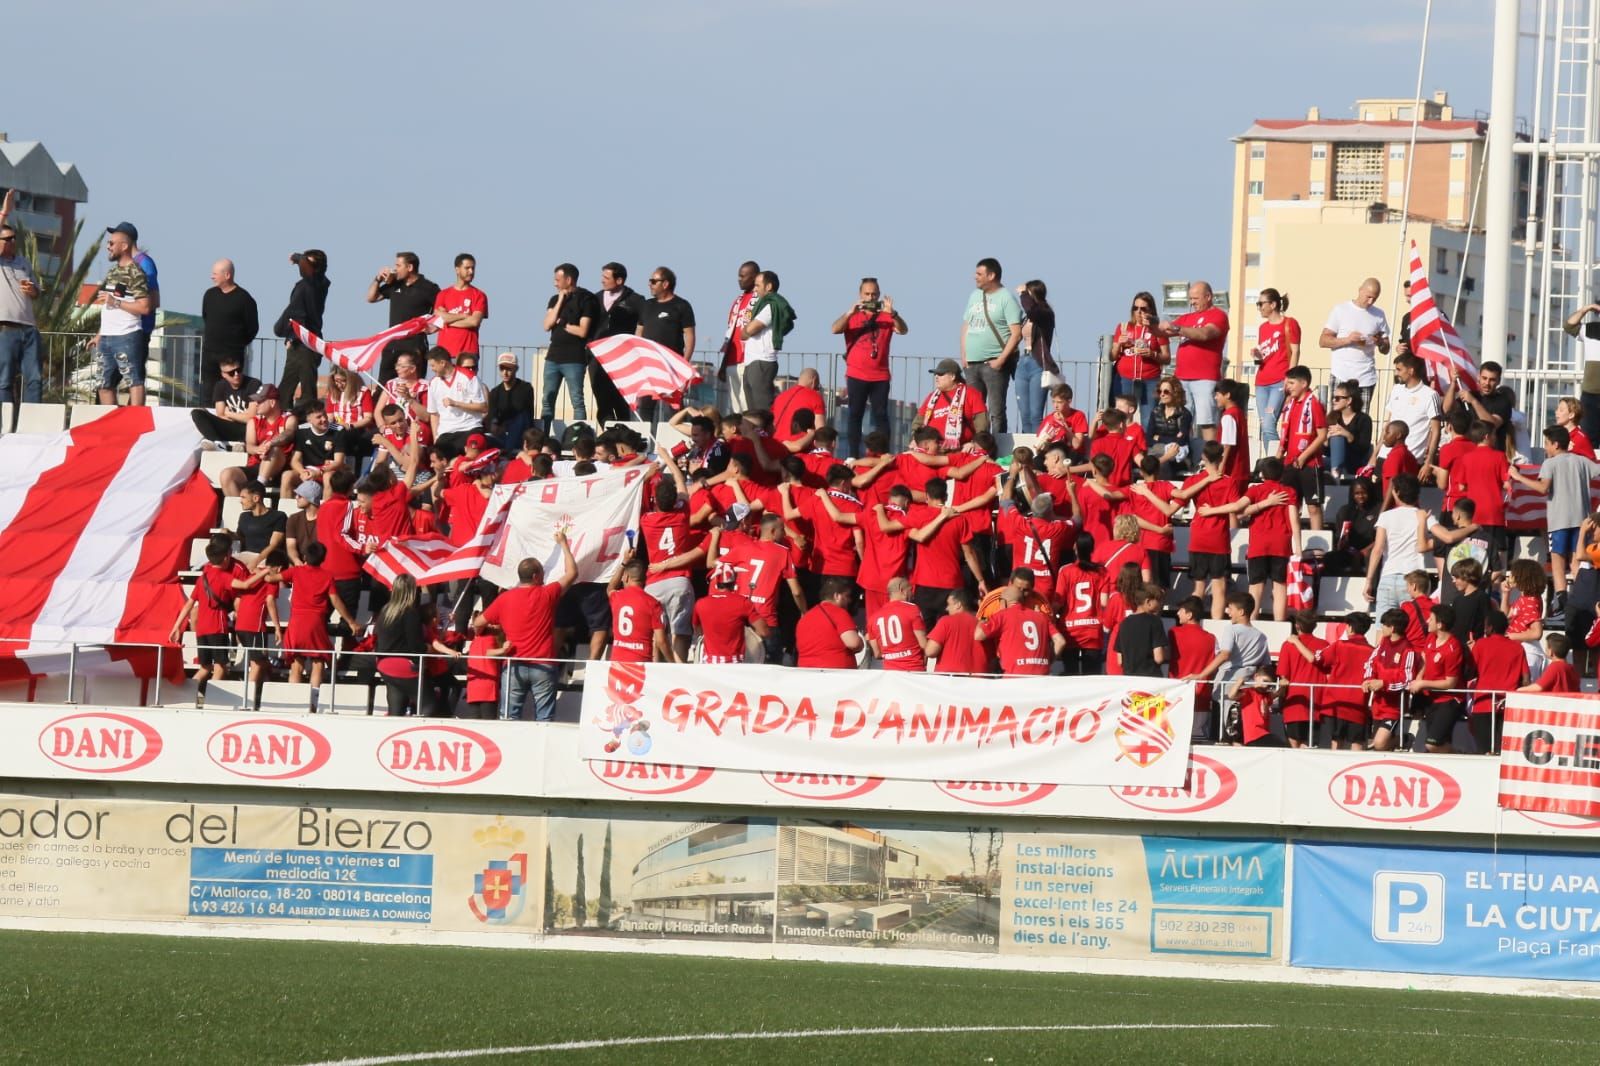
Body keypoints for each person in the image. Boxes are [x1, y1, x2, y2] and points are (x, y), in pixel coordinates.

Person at [477, 538, 578, 722]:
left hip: (514, 664)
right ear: (535, 576)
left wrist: (495, 628)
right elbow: (572, 572)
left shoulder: (504, 598)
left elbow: (478, 622)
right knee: (544, 719)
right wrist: (563, 543)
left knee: (509, 718)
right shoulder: (547, 593)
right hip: (543, 665)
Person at [1509, 425, 1600, 617]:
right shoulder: (1582, 461)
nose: (1545, 448)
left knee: (1558, 563)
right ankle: (1582, 600)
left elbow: (1543, 488)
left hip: (1559, 521)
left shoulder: (1550, 464)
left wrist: (1518, 477)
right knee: (1577, 562)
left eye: (1547, 444)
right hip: (1582, 521)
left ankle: (1561, 603)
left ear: (1556, 444)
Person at [835, 277, 907, 457]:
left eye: (874, 294)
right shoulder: (853, 316)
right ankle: (852, 455)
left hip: (880, 375)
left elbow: (903, 330)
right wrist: (849, 313)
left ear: (879, 295)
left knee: (881, 416)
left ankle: (883, 453)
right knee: (855, 415)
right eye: (867, 294)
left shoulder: (886, 316)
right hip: (856, 374)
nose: (870, 297)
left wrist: (893, 314)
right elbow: (835, 329)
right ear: (860, 294)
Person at [279, 540, 358, 694]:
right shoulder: (327, 576)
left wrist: (263, 572)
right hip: (315, 623)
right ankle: (314, 702)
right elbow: (335, 600)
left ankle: (293, 699)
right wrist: (351, 622)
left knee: (296, 664)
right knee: (318, 662)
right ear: (323, 559)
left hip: (296, 623)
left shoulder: (296, 571)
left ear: (304, 556)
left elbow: (272, 578)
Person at [1158, 281, 1228, 445]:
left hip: (1204, 378)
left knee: (1206, 421)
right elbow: (1164, 331)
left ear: (1208, 297)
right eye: (1190, 299)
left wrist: (1177, 329)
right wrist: (1150, 323)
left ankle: (1211, 459)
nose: (1192, 302)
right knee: (1182, 422)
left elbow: (1205, 334)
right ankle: (1184, 457)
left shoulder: (1218, 315)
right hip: (1181, 378)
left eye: (1196, 298)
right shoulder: (1187, 317)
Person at [93, 223, 156, 407]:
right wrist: (99, 334)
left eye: (112, 243)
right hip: (107, 337)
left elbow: (145, 307)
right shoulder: (113, 272)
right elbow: (108, 307)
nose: (108, 247)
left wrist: (116, 302)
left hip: (127, 335)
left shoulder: (136, 272)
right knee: (103, 384)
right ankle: (111, 423)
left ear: (124, 246)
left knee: (133, 381)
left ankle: (135, 423)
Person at [960, 258, 1024, 432]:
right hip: (972, 363)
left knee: (996, 411)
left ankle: (997, 448)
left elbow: (1016, 333)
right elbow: (966, 325)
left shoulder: (1006, 298)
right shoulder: (974, 296)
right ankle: (975, 445)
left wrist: (1001, 360)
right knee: (973, 411)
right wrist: (964, 355)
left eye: (979, 274)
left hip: (993, 363)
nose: (975, 277)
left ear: (991, 275)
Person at [366, 251, 440, 383]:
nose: (395, 269)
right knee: (383, 386)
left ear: (410, 267)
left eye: (398, 266)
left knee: (413, 386)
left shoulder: (429, 288)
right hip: (392, 344)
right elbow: (371, 298)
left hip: (414, 345)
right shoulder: (394, 285)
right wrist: (378, 279)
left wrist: (435, 327)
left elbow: (441, 310)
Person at [1320, 277, 1391, 411]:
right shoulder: (1340, 310)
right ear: (1360, 290)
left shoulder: (1379, 315)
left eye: (1374, 299)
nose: (1370, 301)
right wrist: (1348, 340)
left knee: (1361, 422)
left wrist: (1380, 342)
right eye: (1368, 296)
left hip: (1366, 378)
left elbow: (1386, 348)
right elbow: (1323, 341)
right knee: (1336, 420)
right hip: (1341, 375)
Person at [541, 263, 598, 428]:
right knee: (547, 399)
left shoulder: (586, 299)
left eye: (558, 279)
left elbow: (582, 331)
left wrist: (563, 323)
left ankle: (579, 434)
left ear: (569, 279)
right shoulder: (554, 299)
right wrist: (559, 301)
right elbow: (546, 325)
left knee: (577, 400)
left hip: (574, 358)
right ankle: (544, 435)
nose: (555, 283)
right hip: (553, 357)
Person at [589, 261, 647, 420]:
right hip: (597, 356)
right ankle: (609, 434)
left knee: (620, 400)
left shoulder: (635, 300)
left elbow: (644, 323)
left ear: (619, 280)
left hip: (622, 357)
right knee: (602, 399)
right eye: (603, 276)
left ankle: (623, 434)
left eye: (606, 277)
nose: (602, 280)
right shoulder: (595, 298)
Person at [272, 249, 330, 410]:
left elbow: (296, 315)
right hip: (304, 342)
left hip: (304, 342)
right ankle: (284, 416)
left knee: (306, 389)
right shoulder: (320, 283)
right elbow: (307, 264)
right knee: (287, 387)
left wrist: (289, 336)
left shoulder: (309, 286)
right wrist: (298, 259)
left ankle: (304, 419)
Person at [974, 571, 1060, 676]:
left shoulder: (1041, 603)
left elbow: (1049, 637)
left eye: (1026, 590)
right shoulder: (993, 599)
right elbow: (979, 630)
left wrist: (1046, 662)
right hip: (997, 658)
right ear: (1010, 584)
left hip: (1028, 663)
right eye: (1018, 588)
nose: (1021, 593)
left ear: (1032, 588)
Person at [1365, 473, 1427, 617]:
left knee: (1382, 629)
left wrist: (1368, 580)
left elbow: (1377, 550)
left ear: (1397, 492)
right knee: (1414, 629)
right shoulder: (1422, 515)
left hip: (1388, 578)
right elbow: (1444, 537)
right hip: (1413, 579)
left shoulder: (1385, 516)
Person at [198, 259, 258, 403]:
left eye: (215, 274)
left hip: (232, 355)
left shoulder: (244, 299)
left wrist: (237, 344)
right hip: (210, 354)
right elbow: (206, 317)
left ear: (227, 275)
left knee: (232, 394)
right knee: (208, 394)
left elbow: (252, 328)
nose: (212, 277)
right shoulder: (209, 295)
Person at [1409, 603, 1465, 754]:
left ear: (1440, 624)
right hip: (1431, 698)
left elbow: (1450, 682)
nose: (1427, 621)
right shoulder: (1431, 638)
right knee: (1437, 743)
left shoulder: (1453, 648)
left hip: (1449, 700)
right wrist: (1419, 678)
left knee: (1432, 744)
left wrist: (1422, 683)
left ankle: (1459, 755)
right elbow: (1425, 660)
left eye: (1431, 619)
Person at [0, 206, 41, 410]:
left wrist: (32, 289)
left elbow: (37, 293)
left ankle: (33, 423)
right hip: (5, 329)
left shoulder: (23, 262)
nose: (12, 242)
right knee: (4, 380)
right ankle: (4, 425)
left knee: (34, 379)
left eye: (14, 238)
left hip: (29, 328)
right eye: (7, 239)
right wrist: (3, 214)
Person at [1471, 608, 1528, 754]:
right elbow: (1526, 679)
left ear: (1490, 627)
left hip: (1483, 704)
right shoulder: (1518, 648)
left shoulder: (1481, 644)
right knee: (1503, 753)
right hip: (1509, 705)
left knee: (1483, 752)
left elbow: (1470, 672)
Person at [1277, 365, 1328, 530]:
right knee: (1291, 505)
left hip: (1309, 464)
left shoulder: (1313, 404)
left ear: (1304, 383)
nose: (1288, 387)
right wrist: (1279, 453)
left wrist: (1304, 456)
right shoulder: (1290, 404)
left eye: (1291, 383)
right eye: (1287, 383)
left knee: (1313, 506)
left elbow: (1322, 435)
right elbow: (1287, 432)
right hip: (1290, 463)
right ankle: (1292, 539)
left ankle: (1317, 543)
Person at [374, 574, 432, 717]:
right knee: (429, 706)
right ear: (412, 591)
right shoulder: (410, 612)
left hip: (384, 664)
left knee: (396, 710)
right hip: (403, 664)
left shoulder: (385, 611)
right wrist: (428, 648)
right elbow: (416, 645)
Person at [1363, 608, 1420, 752]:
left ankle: (1403, 739)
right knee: (1379, 748)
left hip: (1394, 708)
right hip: (1377, 704)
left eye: (1384, 625)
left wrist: (1384, 683)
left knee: (1379, 743)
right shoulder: (1383, 643)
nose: (1381, 628)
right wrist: (1368, 679)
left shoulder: (1408, 650)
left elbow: (1407, 680)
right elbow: (1370, 663)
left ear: (1392, 628)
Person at [1316, 612, 1375, 750]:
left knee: (1335, 745)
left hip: (1335, 703)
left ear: (1349, 627)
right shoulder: (1372, 651)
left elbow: (1319, 659)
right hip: (1359, 705)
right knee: (1357, 746)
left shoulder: (1339, 645)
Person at [1251, 288, 1299, 452]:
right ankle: (1270, 463)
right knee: (1265, 425)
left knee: (1270, 422)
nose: (1259, 307)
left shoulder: (1289, 324)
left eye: (1261, 303)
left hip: (1280, 380)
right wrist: (1257, 355)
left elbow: (1295, 352)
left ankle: (1277, 459)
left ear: (1273, 304)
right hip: (1262, 381)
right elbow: (1263, 356)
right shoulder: (1263, 328)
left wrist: (1291, 380)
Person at [740, 270, 793, 412]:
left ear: (768, 286)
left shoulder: (771, 305)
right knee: (752, 412)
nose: (755, 289)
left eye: (757, 285)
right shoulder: (764, 304)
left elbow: (750, 330)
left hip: (761, 362)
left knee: (761, 411)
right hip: (752, 362)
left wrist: (745, 331)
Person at [425, 347, 489, 458]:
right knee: (438, 461)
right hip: (446, 433)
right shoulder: (433, 383)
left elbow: (483, 407)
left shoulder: (468, 377)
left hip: (469, 428)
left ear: (442, 363)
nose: (432, 369)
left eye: (433, 365)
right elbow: (434, 414)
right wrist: (436, 437)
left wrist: (456, 403)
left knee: (471, 459)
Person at [912, 359, 988, 450]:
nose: (936, 377)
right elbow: (918, 423)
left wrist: (974, 444)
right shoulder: (931, 397)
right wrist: (915, 439)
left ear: (952, 376)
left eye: (941, 374)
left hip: (960, 449)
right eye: (935, 374)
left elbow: (982, 426)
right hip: (931, 450)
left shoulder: (971, 394)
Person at [606, 559, 670, 664]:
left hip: (617, 663)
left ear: (626, 577)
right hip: (641, 663)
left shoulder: (617, 597)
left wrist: (623, 564)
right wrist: (672, 662)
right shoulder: (653, 603)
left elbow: (610, 588)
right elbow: (661, 641)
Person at [1110, 292, 1166, 411]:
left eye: (1143, 308)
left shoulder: (1158, 329)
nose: (1139, 312)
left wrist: (1152, 354)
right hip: (1125, 378)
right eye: (1135, 308)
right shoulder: (1123, 327)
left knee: (1148, 418)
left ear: (1151, 309)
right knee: (1121, 416)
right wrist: (1119, 343)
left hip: (1150, 379)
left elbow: (1166, 357)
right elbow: (1112, 357)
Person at [1015, 280, 1057, 431]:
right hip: (1023, 361)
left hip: (1037, 364)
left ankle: (1036, 449)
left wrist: (1023, 294)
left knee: (1035, 415)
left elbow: (1032, 311)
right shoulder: (1028, 316)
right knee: (1024, 414)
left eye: (1028, 293)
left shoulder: (1044, 313)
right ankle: (1025, 450)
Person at [795, 577, 863, 669]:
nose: (849, 600)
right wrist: (861, 642)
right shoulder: (839, 613)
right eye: (846, 596)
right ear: (837, 596)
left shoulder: (805, 618)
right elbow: (853, 643)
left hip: (806, 672)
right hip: (835, 673)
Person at [1385, 354, 1442, 465]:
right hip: (1386, 456)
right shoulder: (1396, 389)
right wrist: (1375, 455)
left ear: (1411, 371)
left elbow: (1436, 430)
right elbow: (1387, 424)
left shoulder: (1430, 395)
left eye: (1399, 369)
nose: (1396, 373)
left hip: (1411, 458)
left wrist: (1429, 461)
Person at [191, 357, 261, 447]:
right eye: (231, 373)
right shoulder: (220, 386)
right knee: (197, 413)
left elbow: (251, 418)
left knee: (251, 426)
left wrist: (229, 413)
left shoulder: (253, 384)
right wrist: (242, 415)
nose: (236, 374)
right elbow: (220, 415)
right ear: (223, 374)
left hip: (249, 430)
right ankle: (218, 444)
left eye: (238, 370)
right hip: (230, 427)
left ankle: (234, 445)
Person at [865, 576, 928, 672]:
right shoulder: (912, 609)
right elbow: (924, 644)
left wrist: (893, 654)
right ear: (902, 590)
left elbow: (877, 653)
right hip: (914, 670)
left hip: (890, 674)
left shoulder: (873, 618)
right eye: (910, 590)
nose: (912, 594)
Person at [434, 253, 488, 361]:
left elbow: (474, 322)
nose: (471, 272)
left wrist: (448, 320)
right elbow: (438, 318)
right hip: (444, 354)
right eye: (467, 268)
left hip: (468, 354)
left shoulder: (479, 295)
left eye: (473, 268)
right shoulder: (443, 294)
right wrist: (463, 316)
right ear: (457, 270)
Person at [1325, 476, 1381, 576]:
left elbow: (1381, 538)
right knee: (1330, 558)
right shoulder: (1345, 511)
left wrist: (1365, 551)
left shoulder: (1379, 510)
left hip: (1371, 550)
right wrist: (1345, 546)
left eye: (1364, 493)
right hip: (1350, 551)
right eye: (1357, 493)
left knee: (1372, 557)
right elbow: (1340, 537)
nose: (1360, 496)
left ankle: (1372, 589)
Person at [1114, 583, 1168, 678]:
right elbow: (1159, 658)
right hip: (1151, 678)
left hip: (1129, 679)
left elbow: (1120, 661)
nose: (1160, 604)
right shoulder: (1155, 621)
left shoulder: (1124, 623)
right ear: (1148, 602)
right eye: (1158, 601)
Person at [1144, 377, 1193, 479]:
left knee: (1162, 464)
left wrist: (1159, 438)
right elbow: (1148, 438)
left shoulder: (1185, 414)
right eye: (1159, 391)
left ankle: (1162, 491)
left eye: (1166, 391)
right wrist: (1166, 442)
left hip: (1177, 455)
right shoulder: (1155, 412)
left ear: (1175, 393)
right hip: (1157, 451)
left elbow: (1181, 440)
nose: (1162, 394)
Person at [1326, 380, 1373, 482]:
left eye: (1338, 398)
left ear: (1349, 401)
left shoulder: (1363, 419)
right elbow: (1326, 452)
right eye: (1333, 398)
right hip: (1332, 461)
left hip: (1354, 461)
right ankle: (1336, 471)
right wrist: (1326, 440)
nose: (1334, 401)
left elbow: (1363, 448)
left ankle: (1336, 473)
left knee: (1338, 436)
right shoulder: (1331, 418)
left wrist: (1348, 435)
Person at [1037, 384, 1089, 458]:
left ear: (1069, 401)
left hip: (1071, 454)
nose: (1055, 405)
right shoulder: (1049, 418)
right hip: (1053, 454)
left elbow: (1076, 445)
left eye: (1059, 402)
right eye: (1053, 402)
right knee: (1037, 460)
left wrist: (1064, 425)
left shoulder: (1078, 415)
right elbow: (1041, 440)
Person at [1215, 380, 1250, 483]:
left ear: (1227, 395)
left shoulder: (1229, 415)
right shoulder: (1239, 413)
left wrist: (1221, 465)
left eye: (1217, 394)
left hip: (1232, 472)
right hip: (1241, 470)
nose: (1215, 398)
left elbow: (1227, 444)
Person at [285, 480, 319, 566]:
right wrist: (296, 560)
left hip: (318, 563)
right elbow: (291, 546)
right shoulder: (293, 518)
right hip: (297, 563)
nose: (296, 497)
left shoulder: (325, 519)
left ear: (310, 498)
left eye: (300, 496)